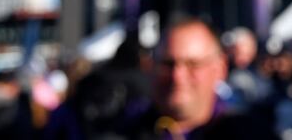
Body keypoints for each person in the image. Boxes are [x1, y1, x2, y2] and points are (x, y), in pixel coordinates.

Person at [110, 17, 273, 139]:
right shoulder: (119, 130)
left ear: (220, 69)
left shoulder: (252, 134)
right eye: (168, 63)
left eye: (193, 64)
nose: (178, 76)